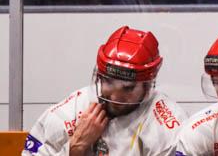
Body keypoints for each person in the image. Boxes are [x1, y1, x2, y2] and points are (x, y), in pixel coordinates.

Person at [22, 25, 185, 156]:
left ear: (147, 85)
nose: (115, 96)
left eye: (127, 88)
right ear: (98, 77)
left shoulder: (167, 124)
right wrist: (74, 148)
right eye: (108, 82)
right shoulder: (70, 112)